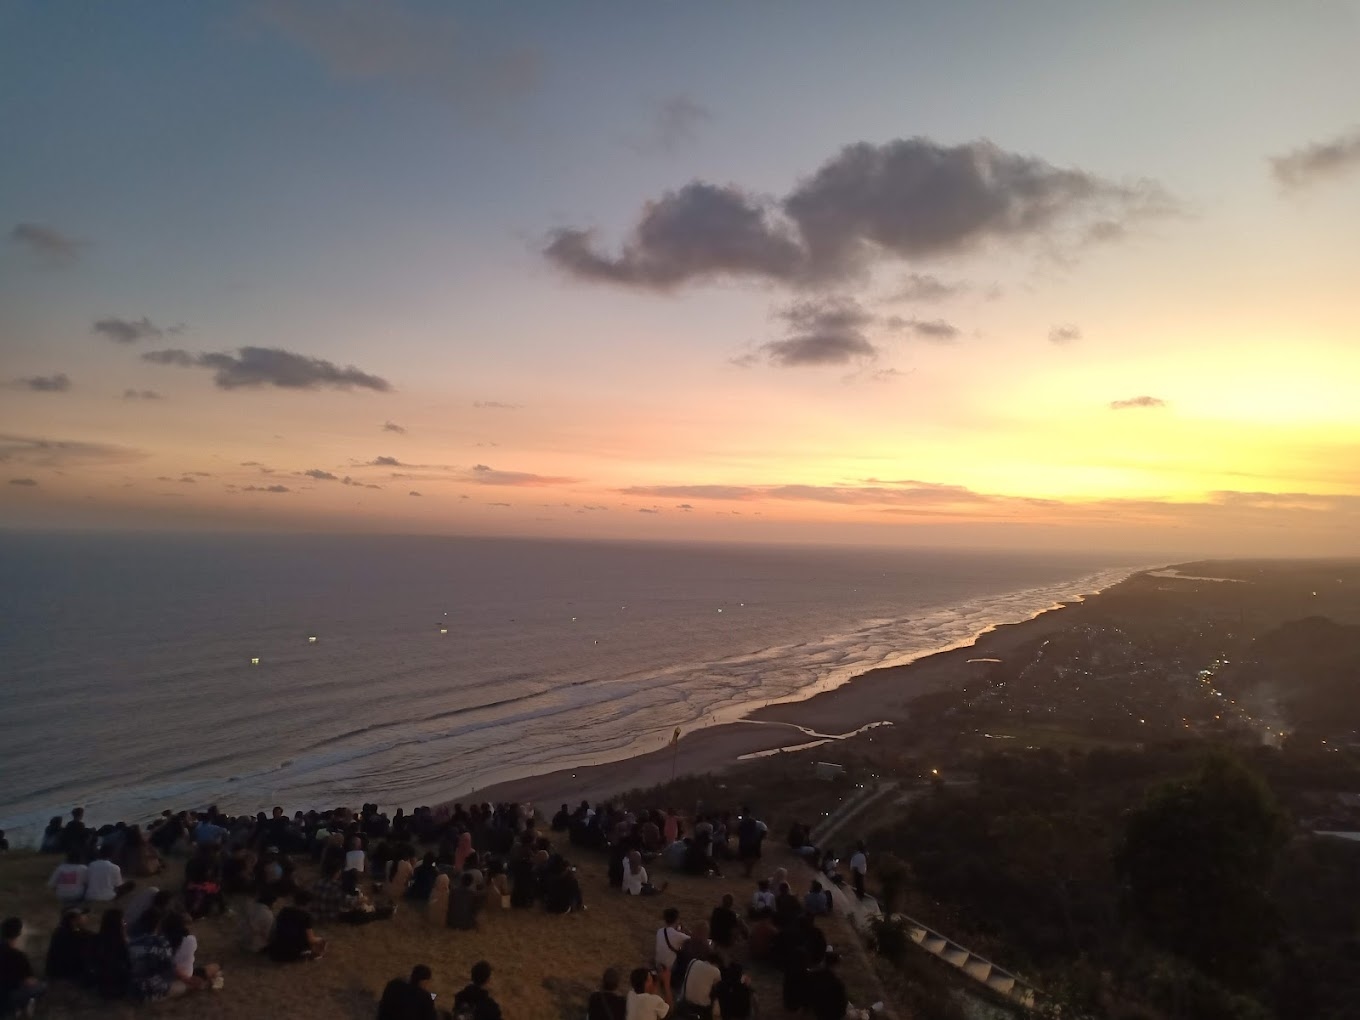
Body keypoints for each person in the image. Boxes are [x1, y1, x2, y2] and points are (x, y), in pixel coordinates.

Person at [163, 912, 222, 993]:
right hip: (183, 977)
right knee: (216, 967)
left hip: (169, 977)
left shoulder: (160, 942)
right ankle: (216, 983)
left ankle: (214, 981)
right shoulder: (190, 940)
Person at [1, 918, 44, 1017]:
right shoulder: (18, 956)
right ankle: (22, 1006)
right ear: (18, 935)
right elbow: (29, 982)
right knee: (41, 986)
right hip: (9, 998)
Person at [268, 890, 326, 962]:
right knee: (320, 942)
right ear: (308, 903)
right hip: (294, 951)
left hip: (278, 948)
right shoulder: (305, 916)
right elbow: (311, 939)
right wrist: (321, 939)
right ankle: (312, 955)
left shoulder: (284, 911)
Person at [127, 918, 176, 1002]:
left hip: (133, 989)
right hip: (152, 991)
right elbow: (169, 968)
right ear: (157, 925)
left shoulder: (131, 943)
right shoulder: (161, 942)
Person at [87, 908, 131, 1000]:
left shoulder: (95, 939)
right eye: (123, 922)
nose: (125, 924)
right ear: (118, 925)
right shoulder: (121, 944)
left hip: (99, 984)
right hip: (117, 987)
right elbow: (129, 965)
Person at [44, 907, 93, 982]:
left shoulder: (81, 933)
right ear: (73, 919)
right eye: (82, 915)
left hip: (70, 973)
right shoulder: (64, 935)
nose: (86, 918)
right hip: (66, 975)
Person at [674, 950, 722, 1019]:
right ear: (717, 964)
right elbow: (716, 987)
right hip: (701, 1008)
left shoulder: (693, 961)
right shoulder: (716, 971)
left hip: (684, 1002)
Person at [654, 907, 688, 1001]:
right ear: (677, 920)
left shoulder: (660, 931)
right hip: (670, 969)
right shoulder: (678, 935)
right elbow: (692, 940)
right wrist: (684, 930)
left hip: (658, 965)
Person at [804, 951, 849, 1020]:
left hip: (815, 1010)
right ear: (835, 966)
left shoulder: (813, 975)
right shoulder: (838, 985)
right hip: (830, 1015)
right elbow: (842, 1009)